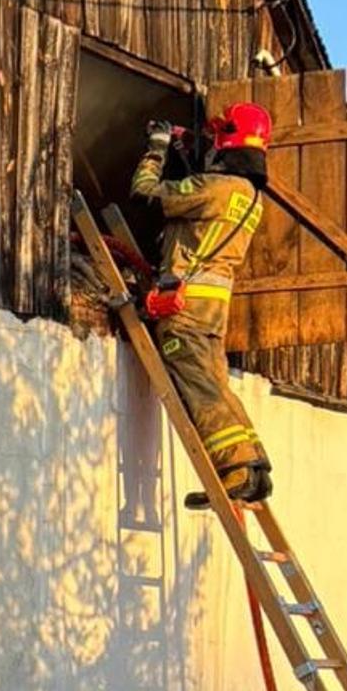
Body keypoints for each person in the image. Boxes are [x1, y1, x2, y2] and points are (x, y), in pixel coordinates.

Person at [132, 102, 273, 508]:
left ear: (228, 141)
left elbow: (145, 194)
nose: (211, 147)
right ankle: (255, 467)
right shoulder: (247, 196)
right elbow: (198, 209)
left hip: (186, 308)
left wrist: (156, 148)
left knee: (198, 388)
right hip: (214, 310)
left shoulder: (212, 188)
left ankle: (236, 469)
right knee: (216, 385)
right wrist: (184, 153)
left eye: (216, 140)